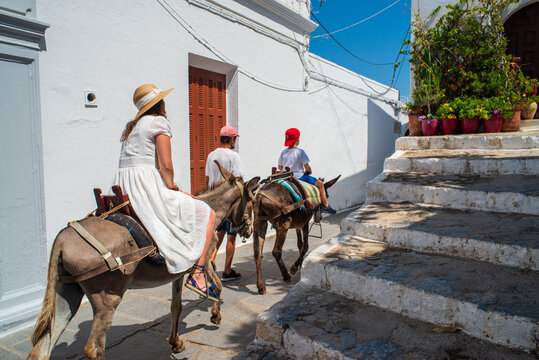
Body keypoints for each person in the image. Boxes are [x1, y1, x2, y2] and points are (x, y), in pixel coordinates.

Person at [114, 84, 218, 301]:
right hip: (147, 188)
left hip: (124, 186)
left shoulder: (132, 128)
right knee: (208, 213)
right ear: (158, 104)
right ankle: (197, 274)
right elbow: (165, 166)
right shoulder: (158, 123)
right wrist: (173, 187)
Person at [205, 125, 244, 282]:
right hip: (229, 204)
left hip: (215, 202)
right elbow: (239, 180)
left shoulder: (211, 155)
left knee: (218, 233)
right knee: (231, 236)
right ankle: (227, 271)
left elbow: (208, 181)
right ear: (232, 139)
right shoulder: (234, 157)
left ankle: (212, 261)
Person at [277, 128, 336, 214]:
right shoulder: (300, 152)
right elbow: (307, 167)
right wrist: (308, 171)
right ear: (297, 140)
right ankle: (326, 205)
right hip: (300, 178)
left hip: (287, 178)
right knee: (320, 184)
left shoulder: (283, 152)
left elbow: (279, 167)